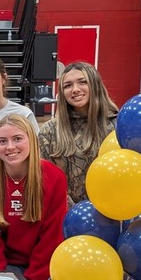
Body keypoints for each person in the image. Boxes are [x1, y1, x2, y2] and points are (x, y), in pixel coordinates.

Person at [0, 114, 67, 280]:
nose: (10, 147)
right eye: (2, 141)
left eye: (17, 139)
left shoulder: (54, 177)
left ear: (31, 139)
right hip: (3, 267)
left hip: (42, 268)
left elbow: (51, 237)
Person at [38, 61, 119, 204]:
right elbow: (44, 180)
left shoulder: (117, 126)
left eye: (82, 82)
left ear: (95, 85)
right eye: (67, 85)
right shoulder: (49, 131)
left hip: (112, 211)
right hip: (66, 216)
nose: (75, 89)